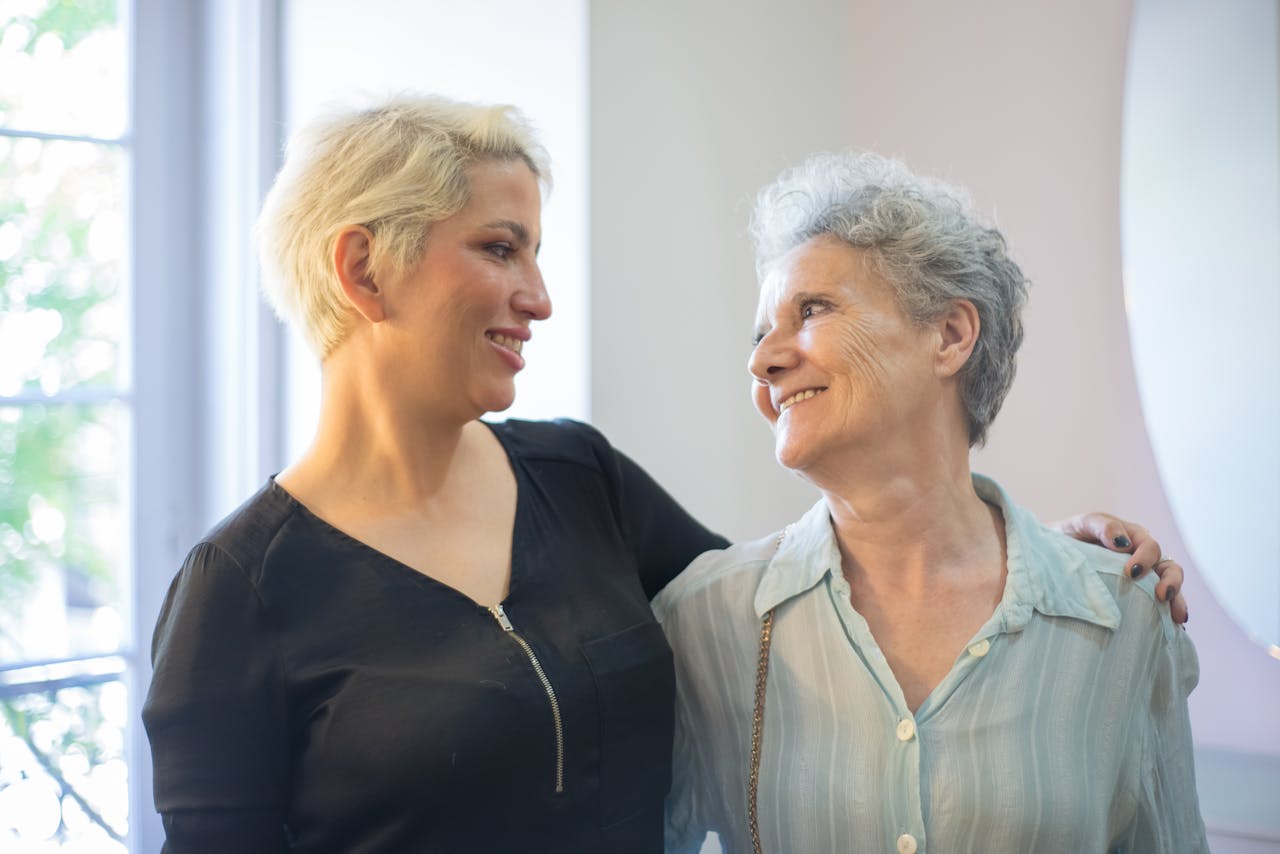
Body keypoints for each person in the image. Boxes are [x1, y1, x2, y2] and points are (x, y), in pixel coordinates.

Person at [140, 95, 1185, 853]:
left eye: (533, 251)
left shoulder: (580, 479)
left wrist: (1045, 560)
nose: (539, 296)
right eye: (501, 248)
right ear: (363, 269)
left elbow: (826, 588)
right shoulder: (240, 590)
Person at [655, 151, 1207, 853]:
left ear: (949, 335)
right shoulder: (704, 619)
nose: (762, 361)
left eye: (812, 310)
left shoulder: (1121, 616)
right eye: (762, 334)